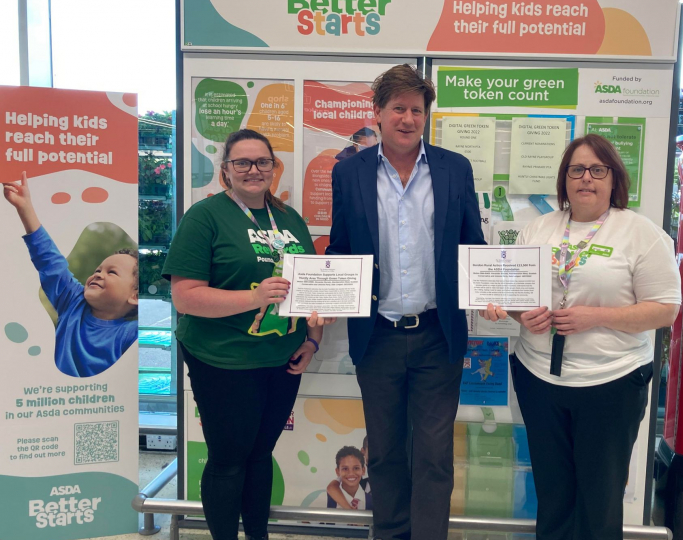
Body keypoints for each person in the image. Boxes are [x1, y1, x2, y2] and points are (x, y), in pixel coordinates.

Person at [482, 134, 681, 540]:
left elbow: (665, 309)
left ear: (613, 178)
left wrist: (597, 316)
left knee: (599, 500)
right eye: (576, 169)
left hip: (610, 384)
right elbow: (513, 295)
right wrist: (524, 315)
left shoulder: (640, 233)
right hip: (541, 380)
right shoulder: (538, 229)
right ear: (565, 179)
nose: (586, 178)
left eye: (597, 169)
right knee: (553, 497)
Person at [323, 64, 486, 540]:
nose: (408, 118)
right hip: (378, 336)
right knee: (387, 452)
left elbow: (472, 246)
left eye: (417, 109)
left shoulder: (454, 167)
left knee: (434, 454)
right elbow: (340, 247)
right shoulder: (349, 171)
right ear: (377, 113)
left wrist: (492, 292)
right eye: (398, 108)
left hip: (438, 333)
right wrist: (323, 294)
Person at [162, 129, 327, 540]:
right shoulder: (205, 217)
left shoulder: (290, 220)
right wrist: (252, 297)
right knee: (228, 460)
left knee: (259, 456)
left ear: (274, 168)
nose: (254, 170)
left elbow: (307, 286)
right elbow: (184, 297)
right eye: (242, 163)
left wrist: (312, 340)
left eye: (263, 162)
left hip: (282, 359)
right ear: (226, 172)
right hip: (223, 359)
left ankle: (257, 535)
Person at [3, 172, 138, 378]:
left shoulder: (130, 334)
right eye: (98, 270)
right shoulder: (73, 302)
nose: (99, 274)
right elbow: (50, 261)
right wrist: (25, 208)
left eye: (112, 272)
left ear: (135, 296)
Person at [327, 436, 371, 510]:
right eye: (345, 469)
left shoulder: (370, 501)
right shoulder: (333, 496)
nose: (351, 473)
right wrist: (349, 510)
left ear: (363, 470)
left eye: (356, 468)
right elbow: (331, 487)